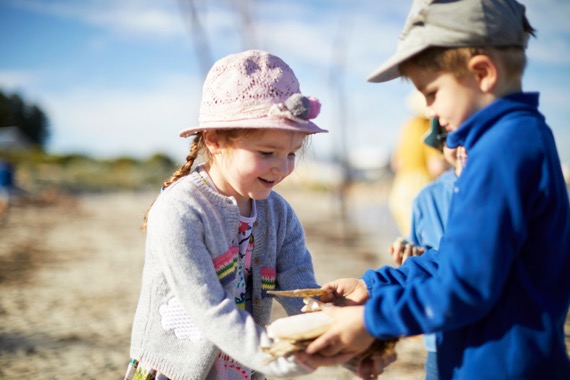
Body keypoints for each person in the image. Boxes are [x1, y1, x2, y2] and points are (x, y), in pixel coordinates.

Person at [296, 0, 570, 379]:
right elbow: (454, 258)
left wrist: (371, 322)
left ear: (483, 73)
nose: (428, 112)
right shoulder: (507, 143)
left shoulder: (504, 149)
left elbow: (467, 286)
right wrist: (372, 286)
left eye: (431, 93)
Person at [127, 50, 329, 380]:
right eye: (268, 153)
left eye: (291, 154)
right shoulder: (181, 209)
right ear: (216, 140)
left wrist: (339, 337)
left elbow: (301, 289)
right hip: (175, 369)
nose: (283, 166)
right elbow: (209, 309)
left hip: (242, 368)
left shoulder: (278, 213)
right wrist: (274, 356)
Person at [389, 118, 467, 380]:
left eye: (471, 136)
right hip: (440, 334)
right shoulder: (425, 197)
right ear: (441, 145)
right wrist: (408, 254)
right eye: (452, 139)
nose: (462, 147)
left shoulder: (500, 191)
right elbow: (420, 253)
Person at [388, 92, 448, 237]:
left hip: (400, 187)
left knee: (409, 238)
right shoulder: (428, 128)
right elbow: (436, 167)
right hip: (420, 186)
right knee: (426, 240)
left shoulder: (407, 126)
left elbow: (396, 163)